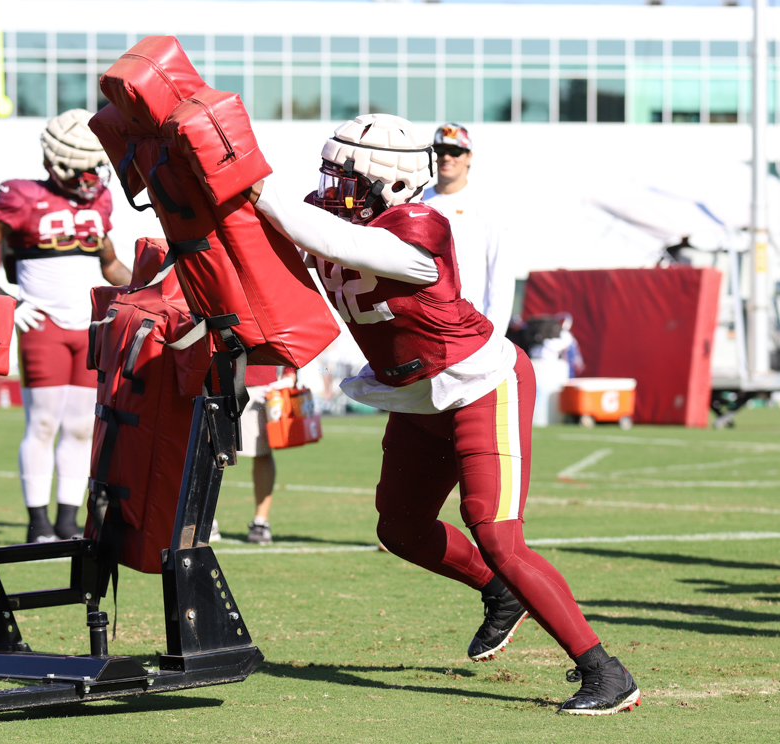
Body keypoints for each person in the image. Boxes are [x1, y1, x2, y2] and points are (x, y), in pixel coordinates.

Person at [241, 114, 639, 715]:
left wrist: (260, 190)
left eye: (346, 177)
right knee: (398, 529)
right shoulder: (332, 218)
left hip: (480, 383)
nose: (332, 188)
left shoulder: (418, 222)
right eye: (331, 174)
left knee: (497, 534)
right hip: (414, 395)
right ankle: (498, 592)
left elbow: (345, 245)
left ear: (391, 182)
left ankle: (605, 672)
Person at [0, 109, 131, 543]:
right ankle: (37, 523)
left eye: (97, 167)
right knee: (42, 424)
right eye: (85, 168)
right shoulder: (20, 196)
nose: (93, 177)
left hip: (86, 326)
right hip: (42, 322)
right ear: (58, 163)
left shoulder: (100, 203)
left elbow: (110, 264)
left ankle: (67, 521)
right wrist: (5, 299)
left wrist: (155, 286)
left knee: (79, 426)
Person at [422, 124, 515, 334]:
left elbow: (501, 275)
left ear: (468, 156)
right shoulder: (417, 201)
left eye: (455, 152)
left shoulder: (486, 205)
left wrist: (495, 334)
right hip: (424, 323)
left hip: (470, 328)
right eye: (441, 151)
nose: (447, 158)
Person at [234, 365, 296, 545]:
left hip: (260, 381)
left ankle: (260, 522)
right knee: (211, 453)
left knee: (261, 453)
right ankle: (205, 520)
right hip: (216, 377)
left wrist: (290, 373)